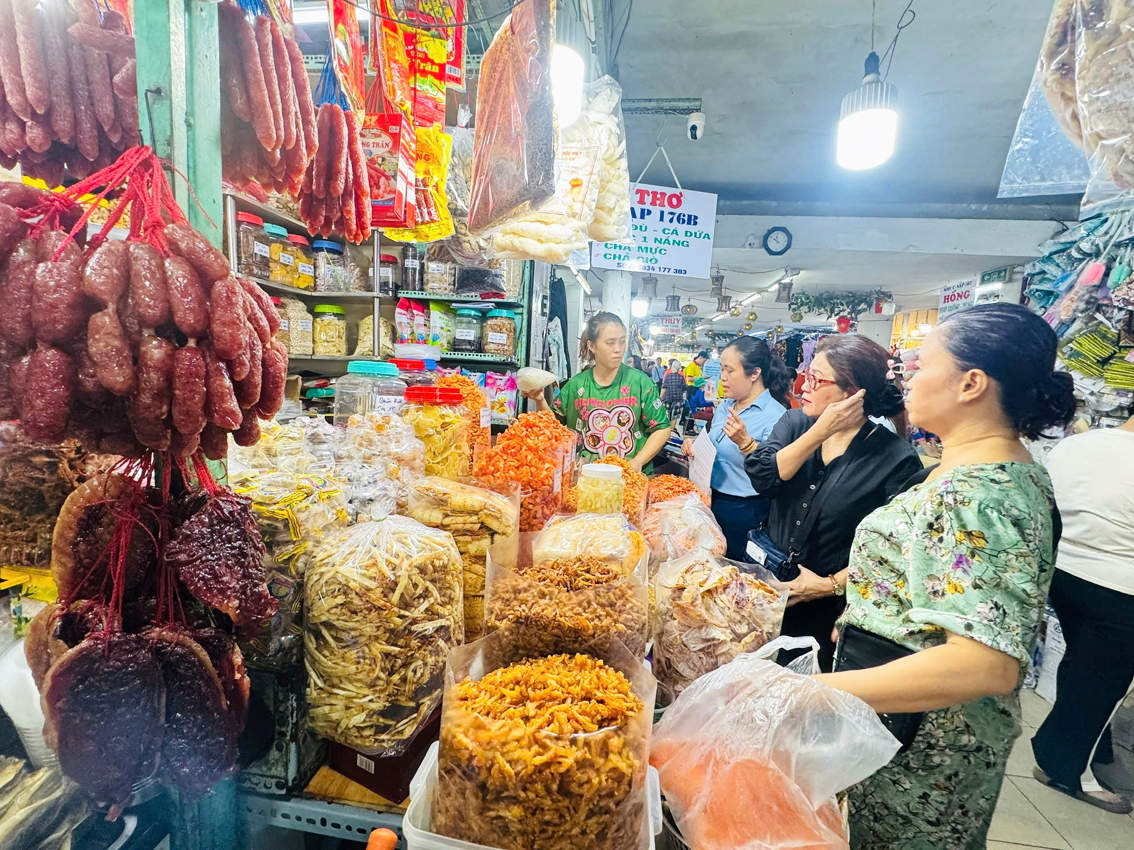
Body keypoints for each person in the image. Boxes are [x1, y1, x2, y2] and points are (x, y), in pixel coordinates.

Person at [814, 303, 1077, 849]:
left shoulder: (978, 495)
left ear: (970, 384)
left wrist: (811, 692)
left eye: (921, 365)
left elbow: (986, 663)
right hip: (903, 722)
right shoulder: (972, 470)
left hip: (929, 744)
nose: (906, 379)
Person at [744, 335, 920, 669]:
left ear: (852, 393)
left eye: (816, 379)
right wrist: (820, 431)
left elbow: (897, 550)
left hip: (827, 607)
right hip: (767, 590)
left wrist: (828, 586)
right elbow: (764, 477)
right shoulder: (796, 423)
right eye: (805, 376)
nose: (802, 387)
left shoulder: (895, 458)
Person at [1031, 411, 1134, 814]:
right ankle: (1069, 771)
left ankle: (1094, 749)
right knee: (1104, 684)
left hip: (1064, 572)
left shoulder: (1078, 444)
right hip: (1120, 587)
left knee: (1082, 667)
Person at [681, 336, 791, 560]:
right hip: (710, 499)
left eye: (729, 370)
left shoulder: (777, 416)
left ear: (754, 373)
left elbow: (776, 470)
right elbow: (714, 447)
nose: (722, 377)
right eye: (722, 369)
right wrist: (693, 447)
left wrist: (746, 443)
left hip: (745, 511)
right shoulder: (725, 407)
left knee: (732, 569)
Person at [525, 312, 672, 473]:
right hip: (586, 479)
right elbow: (552, 427)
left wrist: (637, 461)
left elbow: (662, 428)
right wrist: (540, 400)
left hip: (630, 480)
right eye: (610, 343)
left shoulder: (640, 382)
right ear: (592, 346)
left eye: (622, 341)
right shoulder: (576, 385)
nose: (618, 349)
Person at [662, 359, 688, 423]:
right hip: (678, 399)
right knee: (675, 416)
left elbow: (664, 388)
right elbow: (684, 388)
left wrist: (660, 397)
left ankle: (667, 426)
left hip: (668, 397)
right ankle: (672, 428)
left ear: (672, 366)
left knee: (667, 414)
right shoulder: (681, 377)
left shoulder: (668, 376)